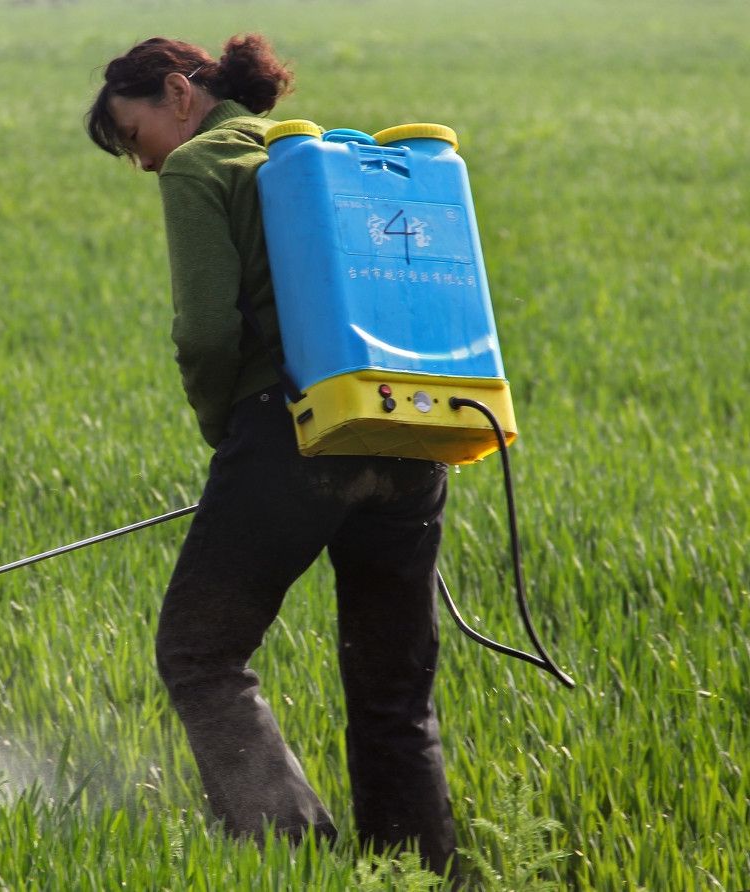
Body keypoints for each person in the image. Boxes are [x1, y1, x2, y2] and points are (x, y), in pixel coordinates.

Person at [85, 35, 458, 875]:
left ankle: (298, 862)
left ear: (180, 94)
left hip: (289, 434)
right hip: (407, 437)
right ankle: (420, 873)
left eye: (134, 137)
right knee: (393, 693)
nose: (143, 164)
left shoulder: (200, 166)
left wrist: (229, 433)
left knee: (200, 652)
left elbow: (208, 333)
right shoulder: (321, 157)